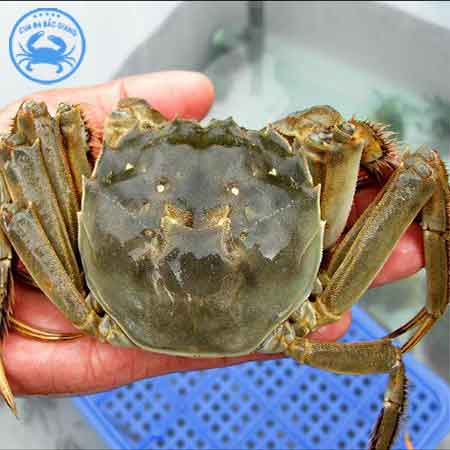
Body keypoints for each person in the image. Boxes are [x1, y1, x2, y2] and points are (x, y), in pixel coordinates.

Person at [0, 71, 424, 399]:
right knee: (419, 173)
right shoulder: (289, 174)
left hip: (92, 311)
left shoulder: (123, 158)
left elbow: (16, 212)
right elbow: (419, 171)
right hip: (290, 322)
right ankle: (433, 311)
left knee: (27, 156)